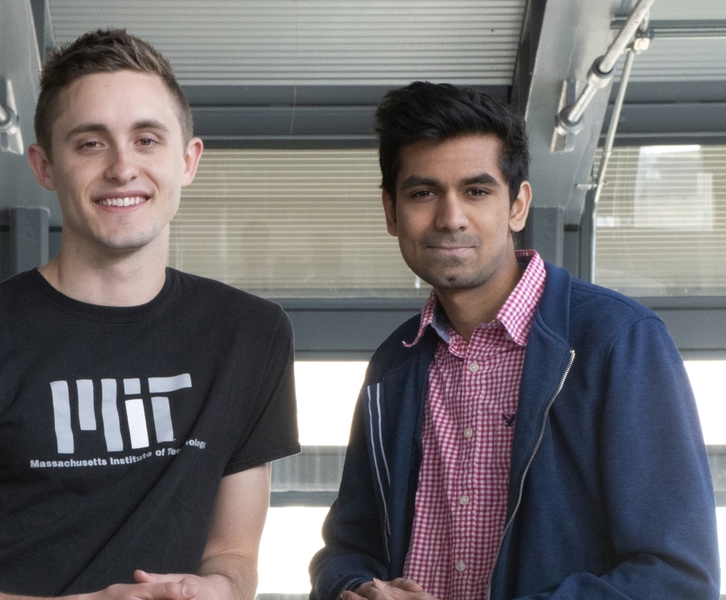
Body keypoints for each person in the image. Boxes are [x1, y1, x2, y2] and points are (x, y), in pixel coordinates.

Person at [0, 29, 300, 600]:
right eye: (90, 143)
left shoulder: (250, 335)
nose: (121, 168)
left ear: (188, 161)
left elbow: (233, 553)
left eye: (146, 140)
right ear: (43, 166)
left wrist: (219, 590)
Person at [308, 81, 719, 600]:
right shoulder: (395, 362)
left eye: (476, 191)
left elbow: (679, 579)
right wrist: (351, 589)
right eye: (423, 193)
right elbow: (347, 546)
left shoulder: (618, 342)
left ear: (518, 205)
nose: (450, 217)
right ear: (391, 212)